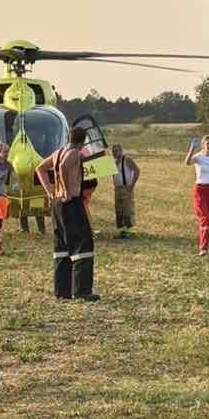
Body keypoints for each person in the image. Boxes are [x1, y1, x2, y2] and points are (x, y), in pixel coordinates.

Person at [35, 127, 98, 301]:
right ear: (82, 141)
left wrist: (49, 190)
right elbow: (63, 166)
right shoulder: (74, 153)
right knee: (83, 243)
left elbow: (39, 168)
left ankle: (62, 290)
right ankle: (82, 291)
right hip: (70, 202)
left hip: (57, 204)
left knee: (61, 245)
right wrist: (66, 190)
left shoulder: (58, 152)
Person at [112, 144, 140, 237]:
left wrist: (131, 185)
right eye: (113, 151)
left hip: (126, 188)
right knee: (119, 210)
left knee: (127, 209)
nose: (114, 153)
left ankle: (131, 231)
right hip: (117, 189)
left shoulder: (127, 160)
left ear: (121, 151)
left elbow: (137, 170)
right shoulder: (114, 163)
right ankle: (122, 231)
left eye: (116, 151)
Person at [0, 142, 18, 233]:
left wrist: (16, 183)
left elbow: (15, 175)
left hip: (2, 191)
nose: (7, 154)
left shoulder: (8, 164)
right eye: (5, 152)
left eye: (8, 152)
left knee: (2, 214)